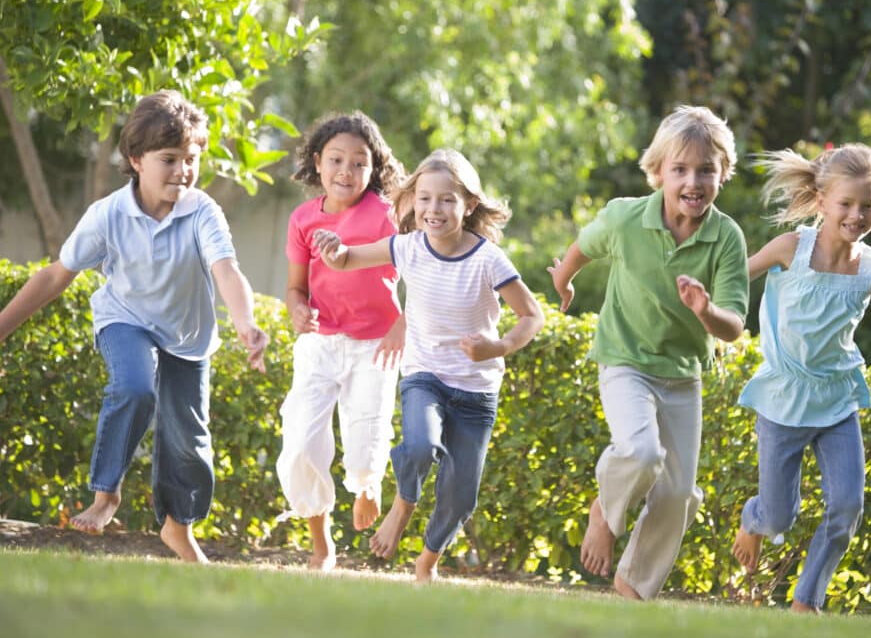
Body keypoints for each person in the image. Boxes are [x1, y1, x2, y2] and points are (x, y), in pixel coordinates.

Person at [0, 90, 268, 563]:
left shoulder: (202, 211)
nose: (183, 170)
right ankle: (106, 496)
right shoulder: (107, 215)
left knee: (190, 442)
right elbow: (54, 276)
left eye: (192, 159)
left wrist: (246, 324)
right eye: (170, 159)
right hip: (125, 321)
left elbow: (227, 270)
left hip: (187, 338)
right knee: (136, 387)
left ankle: (177, 528)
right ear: (136, 158)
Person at [311, 148, 545, 582]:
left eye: (446, 200)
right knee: (419, 445)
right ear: (412, 201)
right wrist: (332, 249)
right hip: (426, 376)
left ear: (469, 205)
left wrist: (496, 348)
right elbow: (347, 258)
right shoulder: (408, 247)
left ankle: (427, 563)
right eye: (423, 198)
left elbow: (532, 315)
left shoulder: (488, 259)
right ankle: (403, 503)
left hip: (476, 391)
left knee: (461, 496)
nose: (432, 209)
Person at [548, 105, 749, 600]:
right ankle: (605, 513)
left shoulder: (727, 239)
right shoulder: (625, 217)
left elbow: (734, 326)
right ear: (657, 172)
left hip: (682, 375)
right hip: (625, 362)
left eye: (706, 169)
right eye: (680, 169)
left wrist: (705, 311)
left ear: (723, 173)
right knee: (640, 452)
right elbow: (583, 246)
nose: (693, 181)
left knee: (680, 494)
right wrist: (562, 279)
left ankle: (633, 588)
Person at [731, 143, 871, 613]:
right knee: (780, 514)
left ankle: (807, 599)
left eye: (869, 205)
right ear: (822, 200)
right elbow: (736, 277)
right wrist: (704, 304)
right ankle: (754, 517)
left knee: (847, 506)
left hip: (837, 401)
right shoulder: (791, 248)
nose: (858, 214)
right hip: (784, 398)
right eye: (847, 203)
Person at [274, 112, 406, 572]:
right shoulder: (303, 219)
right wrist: (296, 309)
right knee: (302, 442)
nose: (346, 172)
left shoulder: (388, 215)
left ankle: (368, 486)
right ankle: (321, 544)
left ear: (374, 169)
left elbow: (425, 273)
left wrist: (402, 325)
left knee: (366, 434)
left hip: (376, 345)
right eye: (336, 160)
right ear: (318, 162)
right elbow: (296, 288)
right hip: (321, 341)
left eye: (358, 163)